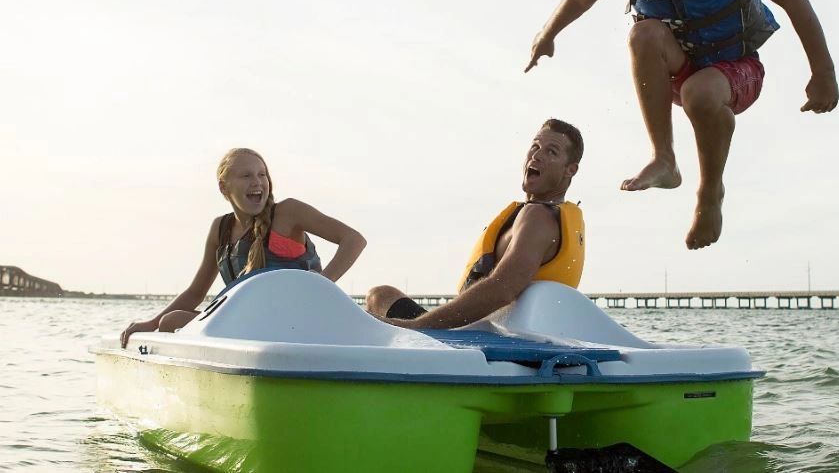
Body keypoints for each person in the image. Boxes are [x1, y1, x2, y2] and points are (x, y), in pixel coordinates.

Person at [525, 0, 839, 250]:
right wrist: (545, 35)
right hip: (680, 70)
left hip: (737, 71)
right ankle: (664, 158)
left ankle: (710, 194)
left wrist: (823, 72)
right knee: (643, 35)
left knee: (700, 93)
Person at [120, 148, 366, 347]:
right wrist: (150, 323)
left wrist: (319, 284)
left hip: (296, 323)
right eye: (247, 176)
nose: (257, 182)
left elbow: (353, 240)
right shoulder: (220, 228)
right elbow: (196, 292)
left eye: (262, 174)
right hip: (246, 325)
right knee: (169, 321)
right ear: (224, 188)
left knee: (173, 321)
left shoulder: (288, 212)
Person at [366, 119, 585, 329]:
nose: (536, 155)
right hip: (502, 333)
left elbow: (503, 288)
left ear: (570, 170)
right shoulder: (556, 216)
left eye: (551, 151)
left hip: (480, 339)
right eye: (535, 146)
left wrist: (418, 326)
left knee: (378, 296)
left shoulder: (538, 216)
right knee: (381, 295)